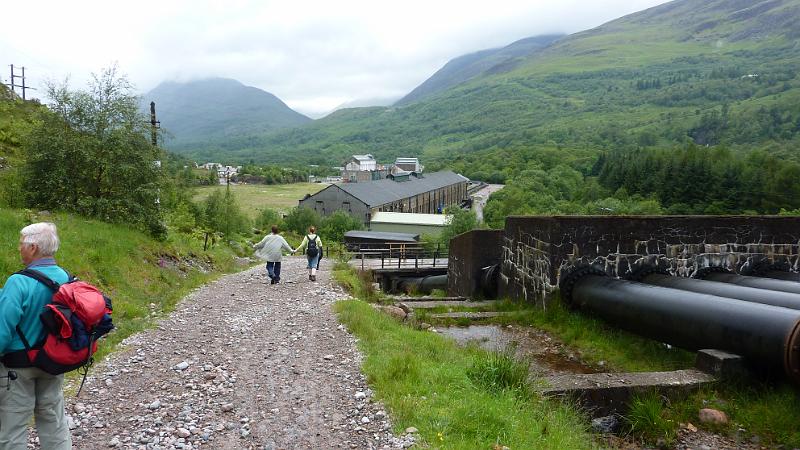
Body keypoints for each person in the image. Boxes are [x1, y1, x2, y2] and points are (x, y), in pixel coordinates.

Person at [0, 222, 72, 449]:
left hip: (17, 367)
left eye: (22, 244)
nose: (19, 248)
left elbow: (3, 329)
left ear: (33, 248)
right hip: (52, 361)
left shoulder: (18, 282)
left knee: (13, 428)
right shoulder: (66, 278)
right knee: (54, 422)